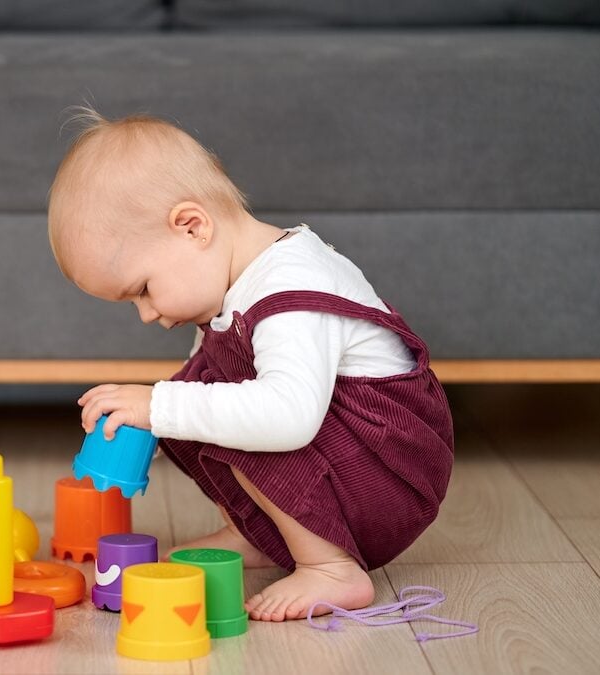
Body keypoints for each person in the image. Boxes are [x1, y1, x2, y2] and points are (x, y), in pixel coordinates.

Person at [47, 107, 454, 622]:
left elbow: (288, 417)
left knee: (216, 409)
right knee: (195, 395)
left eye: (144, 291)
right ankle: (259, 534)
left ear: (192, 227)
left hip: (387, 474)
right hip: (341, 452)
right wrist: (149, 423)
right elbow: (202, 390)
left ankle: (331, 567)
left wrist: (160, 404)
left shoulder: (292, 290)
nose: (148, 314)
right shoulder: (232, 288)